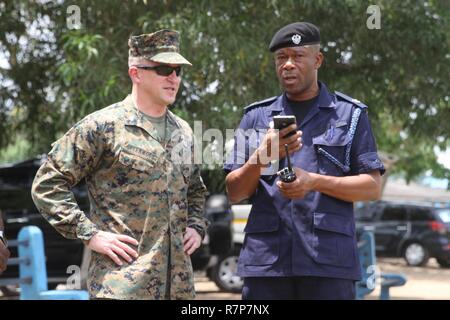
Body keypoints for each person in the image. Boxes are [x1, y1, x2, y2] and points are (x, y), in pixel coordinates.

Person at [31, 29, 209, 300]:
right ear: (136, 73)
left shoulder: (182, 131)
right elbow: (47, 184)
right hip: (123, 287)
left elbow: (195, 189)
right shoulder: (102, 127)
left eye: (178, 71)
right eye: (163, 69)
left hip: (179, 287)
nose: (174, 78)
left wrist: (196, 226)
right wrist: (90, 234)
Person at [224, 22, 384, 300]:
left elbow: (372, 187)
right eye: (281, 57)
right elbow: (234, 192)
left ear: (317, 60)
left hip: (328, 264)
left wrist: (314, 182)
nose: (287, 64)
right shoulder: (256, 117)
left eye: (297, 56)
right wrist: (261, 157)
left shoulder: (350, 115)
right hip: (267, 265)